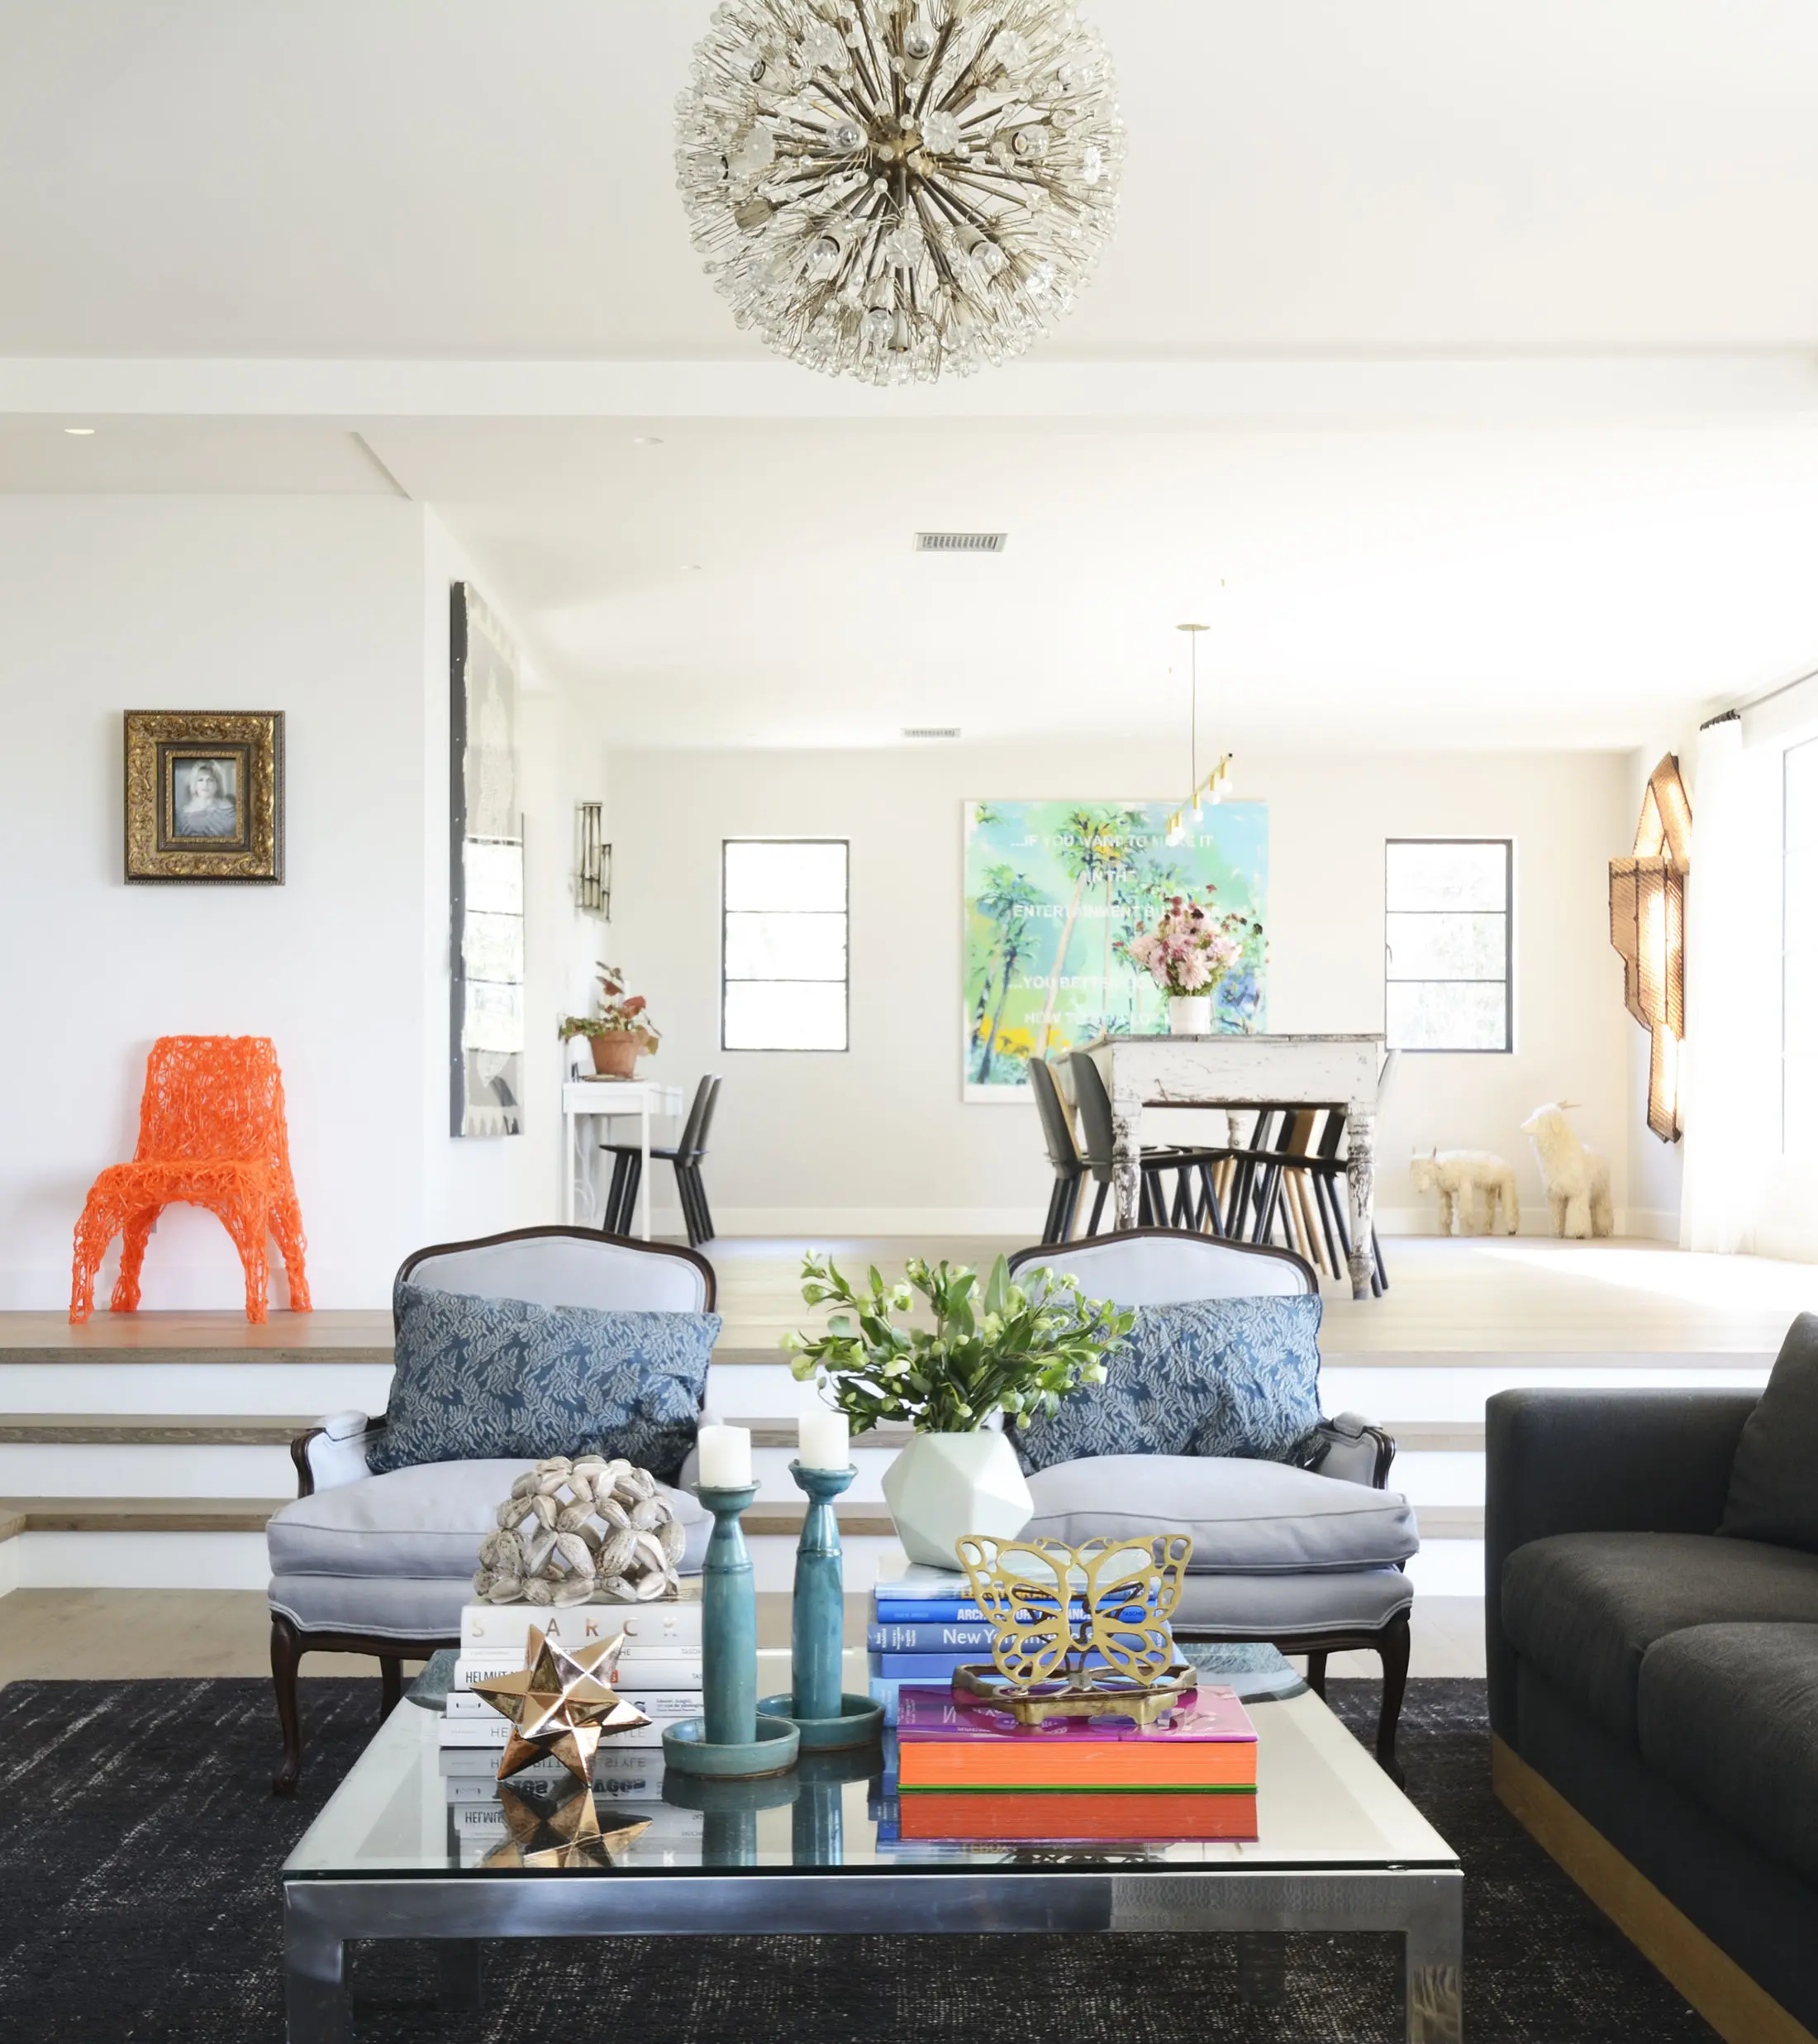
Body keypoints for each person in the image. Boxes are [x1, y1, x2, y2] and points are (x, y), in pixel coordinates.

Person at [178, 760, 238, 838]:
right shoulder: (182, 815)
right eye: (200, 780)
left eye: (210, 780)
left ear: (218, 784)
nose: (205, 784)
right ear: (194, 784)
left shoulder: (229, 812)